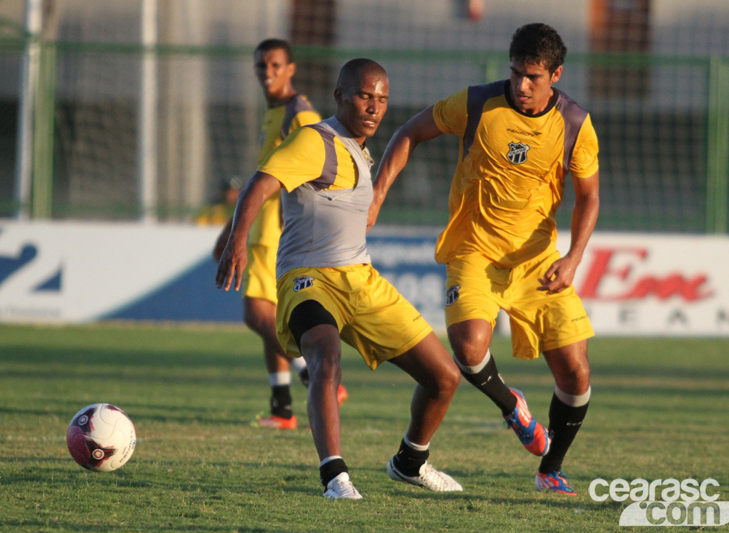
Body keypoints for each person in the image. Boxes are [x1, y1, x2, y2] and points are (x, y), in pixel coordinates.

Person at [368, 23, 599, 496]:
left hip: (537, 261)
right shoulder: (477, 103)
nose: (521, 85)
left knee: (575, 372)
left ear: (556, 73)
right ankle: (511, 405)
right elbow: (410, 132)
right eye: (515, 73)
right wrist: (375, 199)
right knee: (469, 349)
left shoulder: (575, 124)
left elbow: (589, 197)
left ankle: (549, 469)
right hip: (474, 250)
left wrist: (574, 257)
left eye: (533, 76)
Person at [216, 58, 462, 499]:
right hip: (308, 278)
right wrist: (237, 238)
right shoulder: (314, 141)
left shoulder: (361, 150)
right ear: (340, 95)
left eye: (382, 99)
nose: (374, 107)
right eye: (365, 96)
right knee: (325, 360)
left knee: (443, 377)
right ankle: (335, 477)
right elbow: (260, 182)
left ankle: (409, 462)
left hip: (361, 279)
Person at [213, 39, 346, 430]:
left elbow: (317, 165)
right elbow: (261, 178)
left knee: (257, 314)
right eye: (260, 65)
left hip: (278, 230)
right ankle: (282, 408)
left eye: (274, 64)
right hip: (261, 228)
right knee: (267, 315)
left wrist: (303, 221)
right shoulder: (275, 113)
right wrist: (230, 229)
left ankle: (312, 372)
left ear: (290, 69)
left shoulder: (300, 115)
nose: (266, 72)